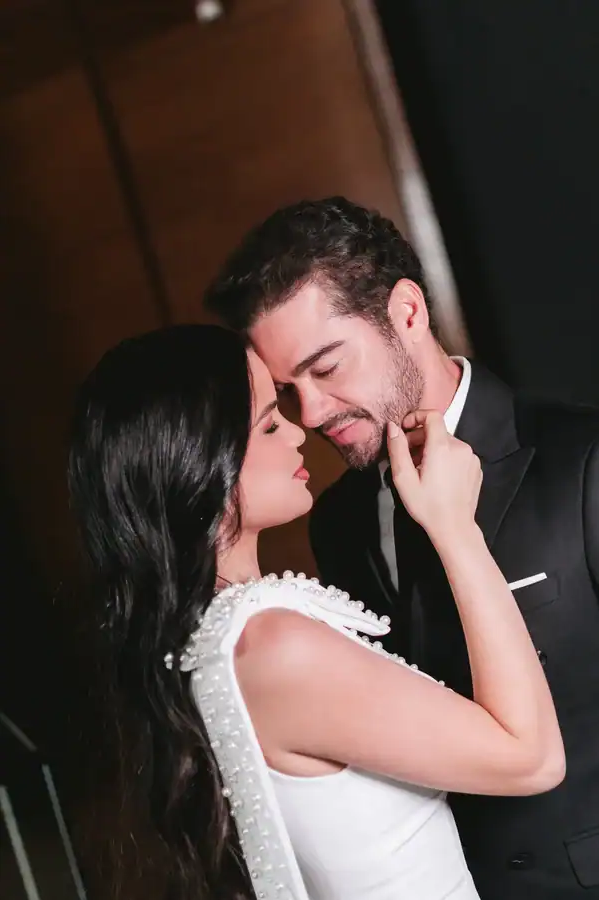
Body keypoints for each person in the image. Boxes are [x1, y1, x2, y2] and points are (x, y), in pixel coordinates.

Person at [68, 324, 563, 900]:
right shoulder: (275, 647)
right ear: (198, 463)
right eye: (268, 423)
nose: (297, 431)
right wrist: (455, 528)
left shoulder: (222, 638)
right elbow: (531, 760)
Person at [204, 196, 599, 900]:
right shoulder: (337, 523)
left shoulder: (584, 461)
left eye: (327, 367)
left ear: (407, 313)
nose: (312, 413)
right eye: (289, 393)